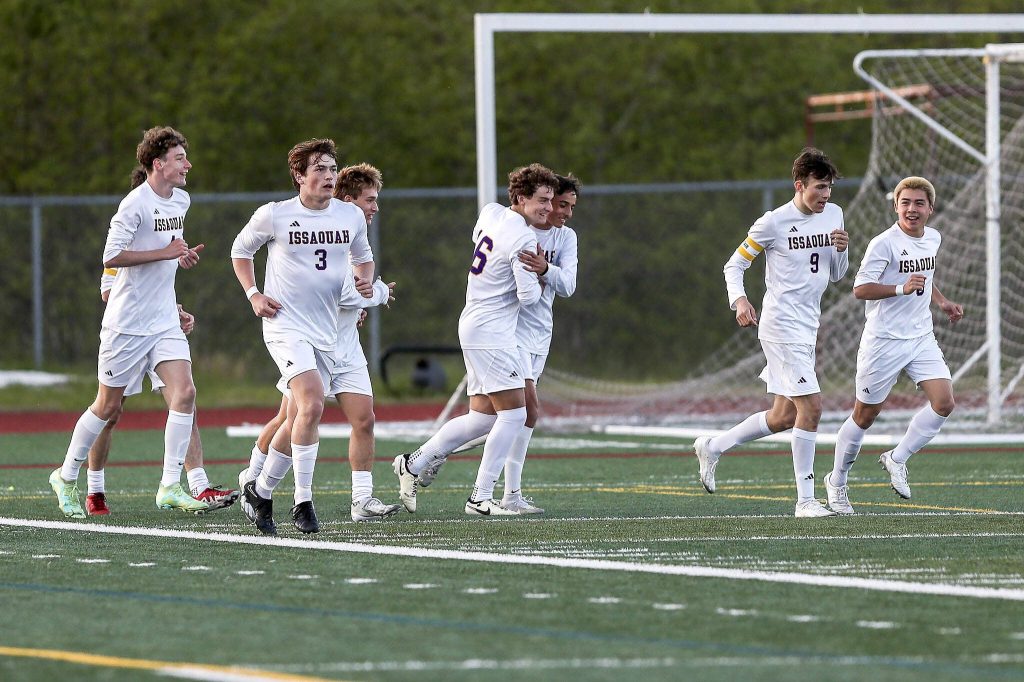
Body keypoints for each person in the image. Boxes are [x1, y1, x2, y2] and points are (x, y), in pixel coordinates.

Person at [48, 126, 209, 518]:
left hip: (163, 322)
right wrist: (164, 252)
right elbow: (112, 256)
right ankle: (66, 476)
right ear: (158, 164)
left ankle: (170, 484)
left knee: (184, 393)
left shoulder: (181, 200)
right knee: (108, 406)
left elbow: (164, 254)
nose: (187, 164)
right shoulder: (134, 204)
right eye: (179, 159)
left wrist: (178, 257)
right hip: (126, 323)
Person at [237, 162, 400, 524]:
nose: (374, 208)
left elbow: (358, 277)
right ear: (347, 200)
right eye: (369, 200)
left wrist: (368, 289)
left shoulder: (349, 229)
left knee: (362, 419)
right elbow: (344, 291)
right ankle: (264, 485)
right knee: (296, 413)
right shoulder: (290, 218)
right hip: (300, 335)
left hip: (342, 345)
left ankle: (361, 499)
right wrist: (377, 294)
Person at [693, 147, 849, 518]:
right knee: (811, 407)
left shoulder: (835, 214)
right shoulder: (773, 222)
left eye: (829, 188)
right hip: (780, 325)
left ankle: (713, 446)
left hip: (808, 325)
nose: (826, 195)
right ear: (799, 185)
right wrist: (740, 301)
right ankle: (806, 501)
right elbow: (734, 265)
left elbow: (838, 274)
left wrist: (842, 250)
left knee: (784, 416)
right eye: (819, 188)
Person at [393, 163, 555, 516]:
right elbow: (529, 298)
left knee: (483, 419)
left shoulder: (491, 212)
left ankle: (414, 463)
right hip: (493, 330)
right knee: (516, 414)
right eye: (542, 200)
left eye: (551, 200)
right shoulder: (524, 237)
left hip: (474, 322)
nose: (548, 207)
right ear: (521, 197)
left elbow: (479, 242)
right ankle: (480, 497)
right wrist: (541, 272)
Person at [826, 176, 963, 512]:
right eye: (905, 203)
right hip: (884, 341)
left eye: (919, 203)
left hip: (920, 337)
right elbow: (860, 289)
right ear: (896, 206)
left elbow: (924, 277)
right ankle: (837, 481)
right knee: (865, 414)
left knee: (944, 402)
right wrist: (901, 288)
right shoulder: (883, 243)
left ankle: (897, 457)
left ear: (930, 208)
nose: (911, 209)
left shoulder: (933, 238)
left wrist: (941, 301)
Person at [82, 270, 239, 516]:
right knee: (109, 411)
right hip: (129, 335)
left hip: (161, 334)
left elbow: (161, 288)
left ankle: (199, 487)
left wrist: (171, 312)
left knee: (185, 399)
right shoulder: (126, 238)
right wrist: (157, 310)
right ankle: (95, 491)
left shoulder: (168, 236)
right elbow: (108, 293)